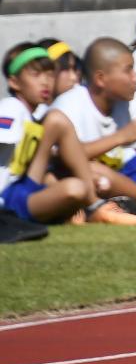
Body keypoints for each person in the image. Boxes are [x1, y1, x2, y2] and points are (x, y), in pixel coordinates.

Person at [40, 37, 136, 220]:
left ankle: (120, 205)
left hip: (114, 177)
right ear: (100, 78)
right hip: (69, 181)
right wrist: (121, 137)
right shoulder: (66, 108)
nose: (74, 77)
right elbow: (65, 158)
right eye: (129, 70)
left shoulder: (122, 104)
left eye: (75, 69)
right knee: (97, 175)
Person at [0, 43, 95, 227]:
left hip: (22, 187)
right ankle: (94, 207)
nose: (45, 82)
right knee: (74, 189)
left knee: (56, 121)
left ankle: (90, 206)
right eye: (36, 75)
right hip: (6, 198)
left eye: (50, 74)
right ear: (14, 82)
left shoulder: (36, 113)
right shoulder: (11, 108)